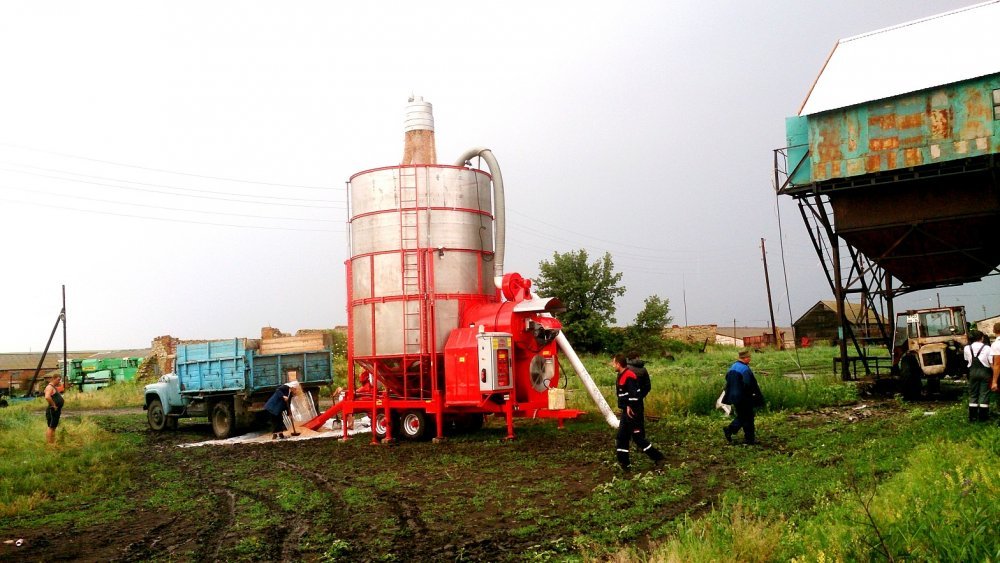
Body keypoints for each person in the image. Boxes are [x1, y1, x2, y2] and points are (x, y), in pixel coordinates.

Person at [612, 353, 664, 471]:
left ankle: (658, 458)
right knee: (621, 437)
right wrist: (626, 406)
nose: (612, 365)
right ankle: (625, 465)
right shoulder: (622, 375)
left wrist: (630, 405)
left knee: (638, 438)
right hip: (627, 410)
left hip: (633, 411)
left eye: (613, 363)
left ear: (618, 364)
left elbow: (634, 394)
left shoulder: (629, 375)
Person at [721, 350, 764, 445]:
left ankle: (748, 439)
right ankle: (731, 430)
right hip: (744, 397)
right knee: (747, 417)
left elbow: (727, 380)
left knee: (744, 416)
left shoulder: (732, 367)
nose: (750, 359)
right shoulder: (745, 369)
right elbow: (748, 384)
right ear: (746, 358)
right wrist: (754, 395)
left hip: (733, 396)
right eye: (749, 357)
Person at [44, 374, 64, 445]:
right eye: (58, 380)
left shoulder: (53, 387)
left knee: (53, 427)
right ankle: (50, 444)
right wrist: (54, 405)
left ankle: (52, 442)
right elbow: (47, 397)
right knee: (51, 427)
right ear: (53, 379)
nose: (59, 381)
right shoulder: (49, 387)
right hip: (52, 410)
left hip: (55, 410)